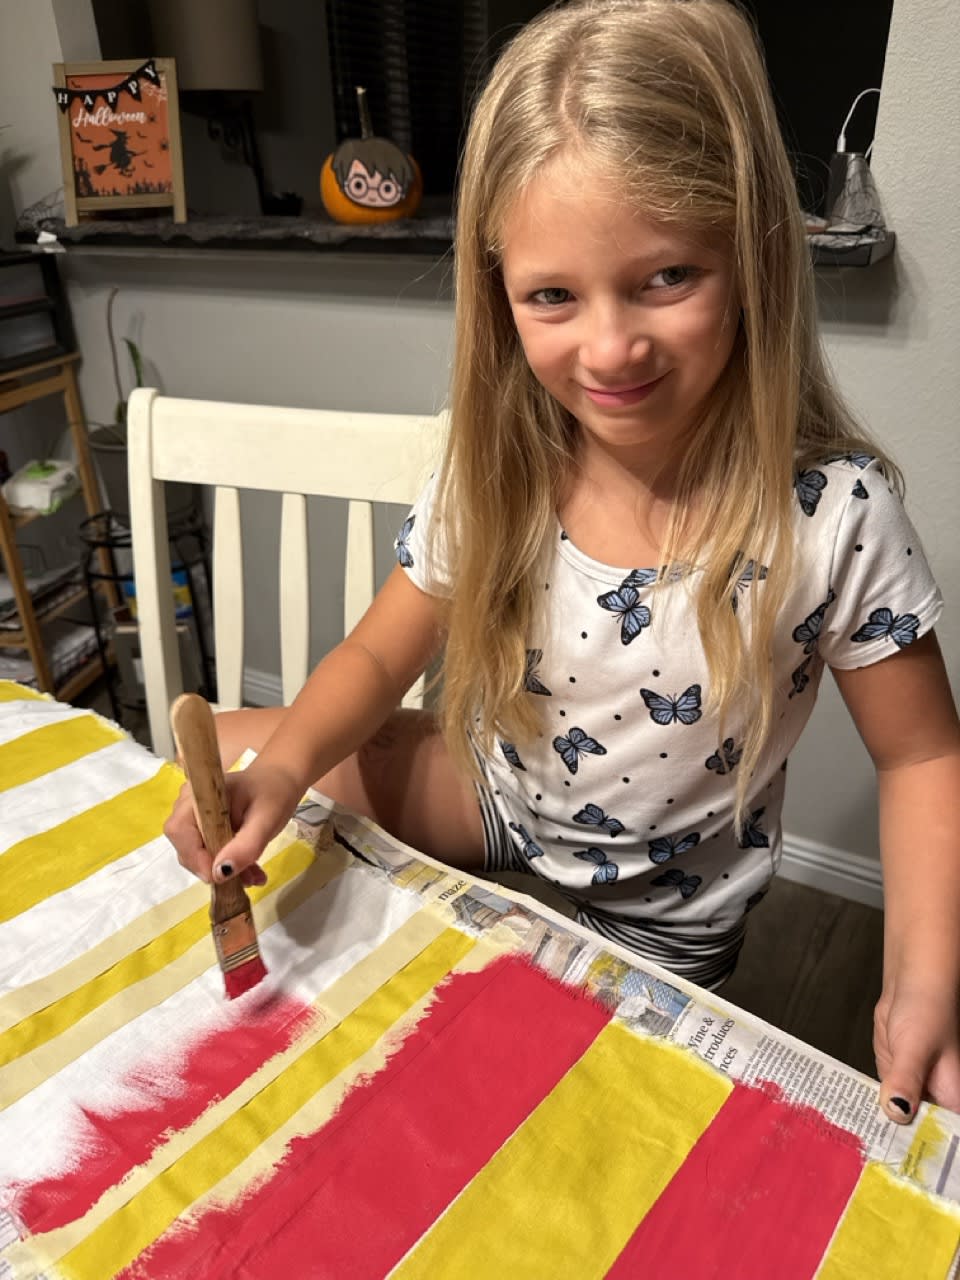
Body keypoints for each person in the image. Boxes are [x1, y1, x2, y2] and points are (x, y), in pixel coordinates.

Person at [165, 0, 960, 1123]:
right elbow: (377, 650)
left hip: (662, 914)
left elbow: (925, 758)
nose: (609, 347)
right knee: (230, 769)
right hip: (495, 798)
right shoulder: (498, 466)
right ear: (499, 293)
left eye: (666, 278)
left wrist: (923, 980)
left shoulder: (837, 516)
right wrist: (282, 771)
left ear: (752, 254)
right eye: (553, 295)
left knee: (520, 1121)